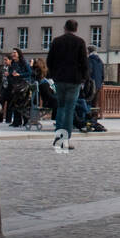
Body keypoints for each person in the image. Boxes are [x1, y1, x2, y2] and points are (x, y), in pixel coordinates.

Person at [47, 20, 89, 149]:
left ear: (65, 28)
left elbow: (49, 61)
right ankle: (66, 139)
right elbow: (84, 62)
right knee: (70, 110)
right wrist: (84, 78)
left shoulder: (56, 41)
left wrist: (54, 74)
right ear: (76, 29)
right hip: (74, 80)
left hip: (60, 79)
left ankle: (58, 137)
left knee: (61, 107)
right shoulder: (80, 42)